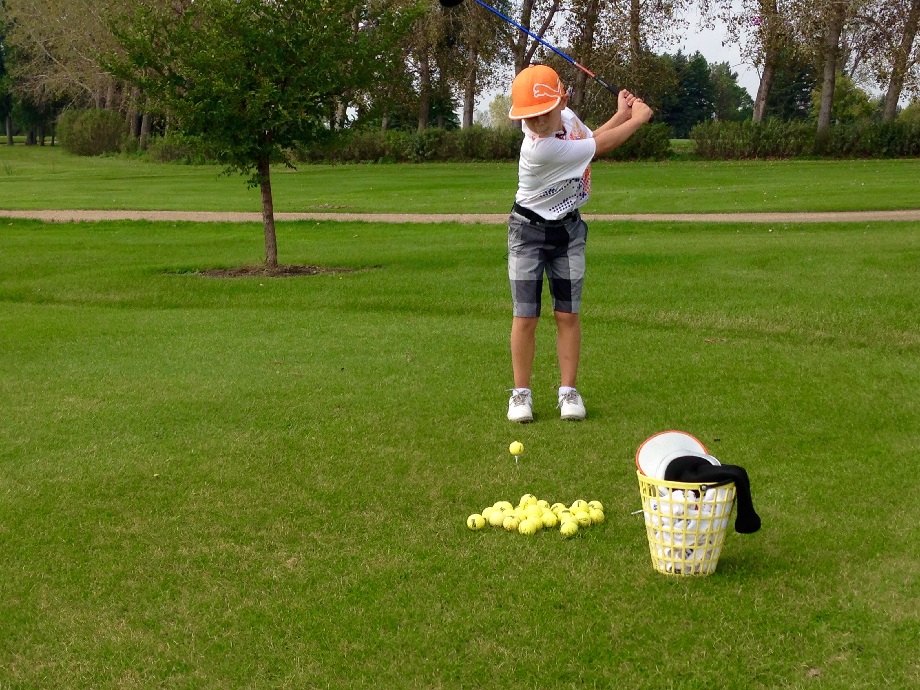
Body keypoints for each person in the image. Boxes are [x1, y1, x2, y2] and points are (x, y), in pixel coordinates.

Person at [505, 64, 653, 423]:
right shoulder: (538, 149)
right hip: (527, 232)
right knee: (526, 315)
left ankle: (568, 391)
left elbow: (588, 140)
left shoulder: (568, 118)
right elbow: (598, 148)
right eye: (530, 116)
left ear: (563, 101)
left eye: (544, 113)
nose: (537, 121)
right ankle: (520, 395)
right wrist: (637, 120)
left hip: (568, 230)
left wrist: (619, 114)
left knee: (567, 314)